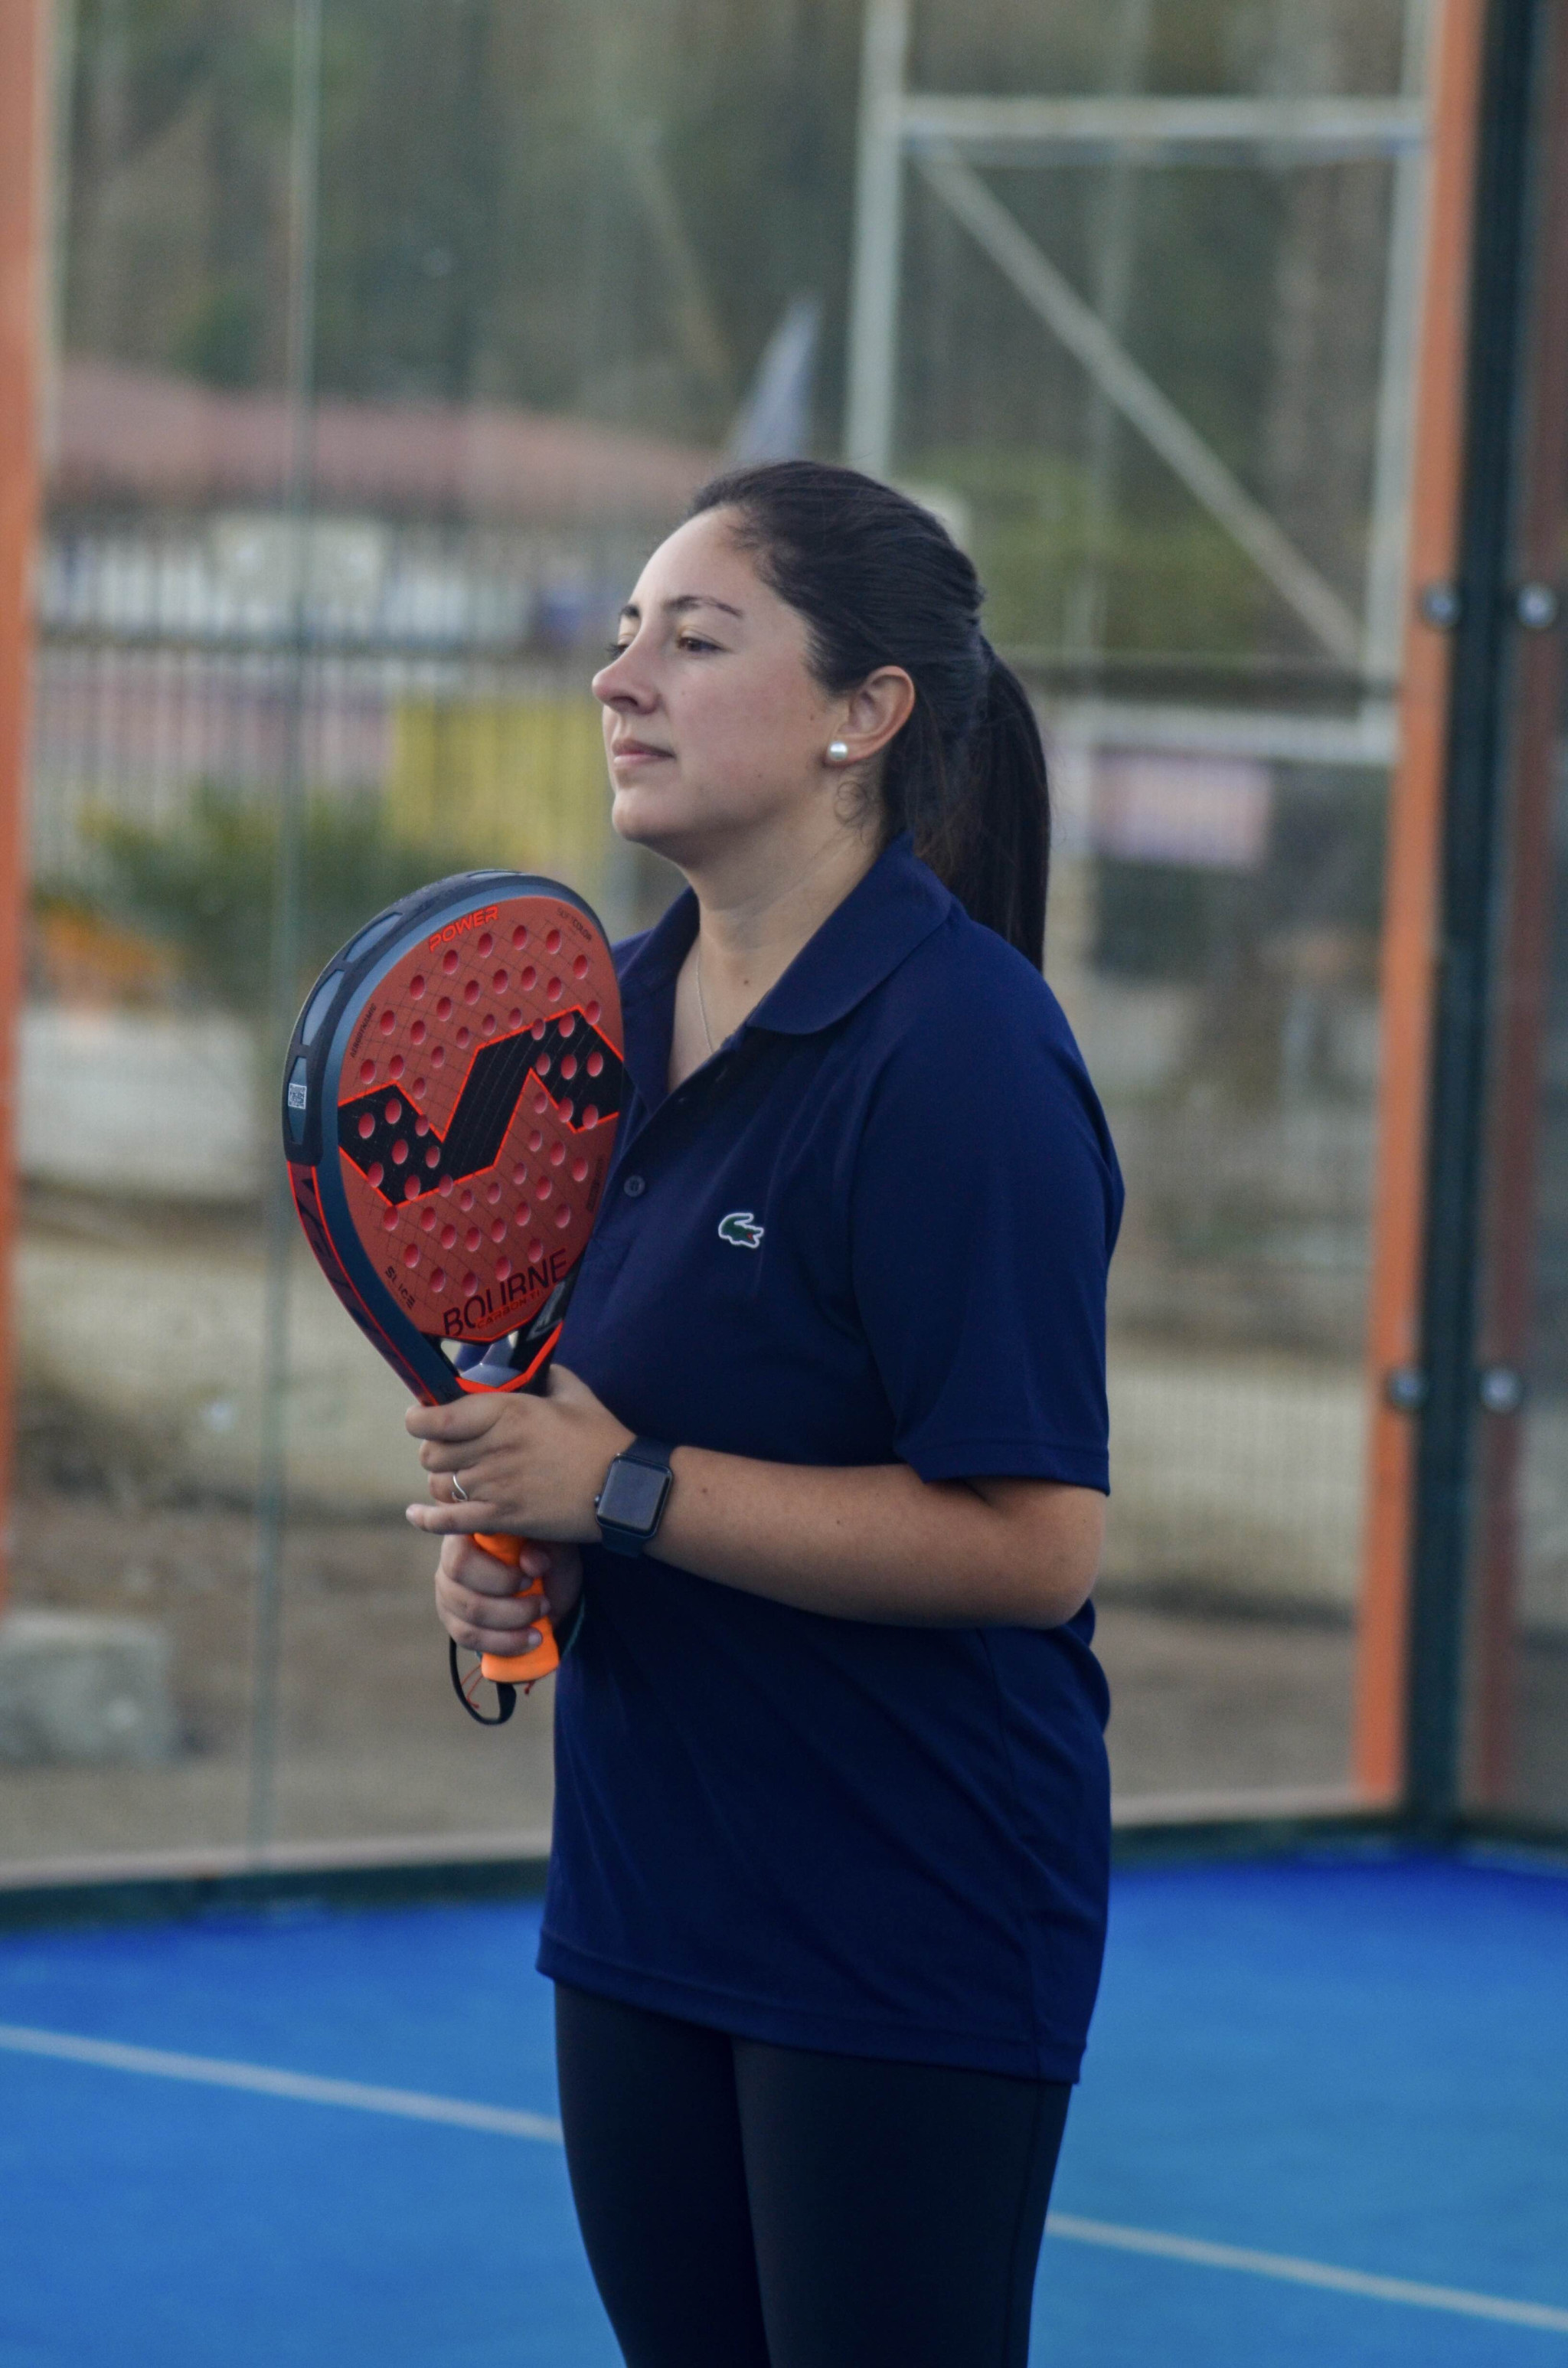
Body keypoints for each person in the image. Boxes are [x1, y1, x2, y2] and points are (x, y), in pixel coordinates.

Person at [405, 461, 1122, 2368]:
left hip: (905, 1921)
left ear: (860, 713)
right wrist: (535, 1554)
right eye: (623, 632)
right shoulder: (590, 1036)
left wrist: (622, 1488)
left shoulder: (963, 1053)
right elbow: (604, 1446)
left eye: (696, 638)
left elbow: (1036, 1545)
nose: (619, 675)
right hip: (641, 1902)